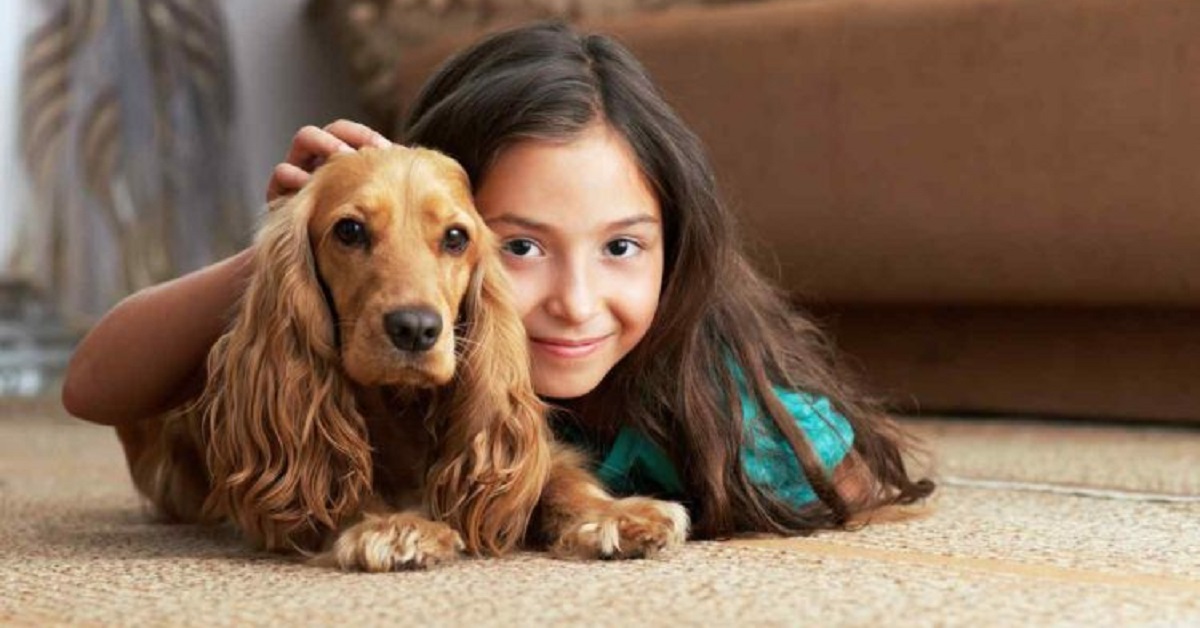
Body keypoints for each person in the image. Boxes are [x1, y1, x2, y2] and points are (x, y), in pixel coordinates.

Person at [63, 22, 934, 539]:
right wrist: (302, 235)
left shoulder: (700, 382)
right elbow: (93, 387)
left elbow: (846, 478)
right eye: (518, 248)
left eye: (622, 248)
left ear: (677, 246)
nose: (575, 301)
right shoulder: (357, 313)